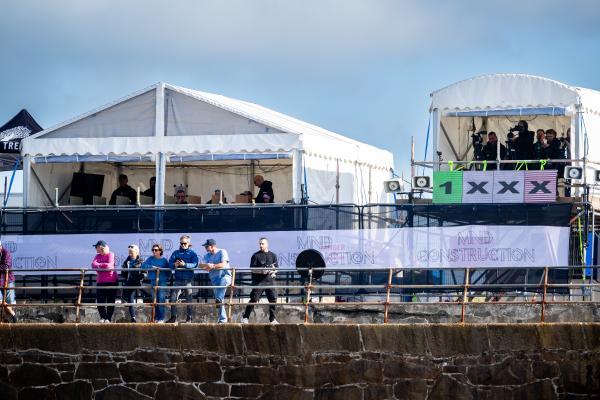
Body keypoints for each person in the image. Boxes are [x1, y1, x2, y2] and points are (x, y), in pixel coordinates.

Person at [241, 237, 279, 324]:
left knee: (273, 299)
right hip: (259, 281)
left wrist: (273, 270)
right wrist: (262, 271)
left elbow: (277, 268)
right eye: (260, 244)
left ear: (267, 244)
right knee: (254, 299)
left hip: (270, 281)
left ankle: (272, 319)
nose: (261, 245)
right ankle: (245, 317)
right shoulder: (256, 255)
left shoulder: (273, 255)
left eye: (262, 244)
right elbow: (252, 269)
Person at [199, 239, 231, 323]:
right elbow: (200, 265)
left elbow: (223, 264)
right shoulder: (207, 255)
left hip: (225, 276)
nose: (205, 248)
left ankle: (218, 300)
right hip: (215, 280)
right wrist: (207, 265)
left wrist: (212, 266)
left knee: (219, 297)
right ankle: (223, 319)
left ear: (212, 246)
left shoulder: (222, 252)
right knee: (220, 300)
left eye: (207, 246)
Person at [168, 235, 198, 323]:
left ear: (189, 243)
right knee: (173, 298)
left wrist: (185, 265)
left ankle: (189, 318)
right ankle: (173, 317)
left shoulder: (193, 253)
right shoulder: (175, 253)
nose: (183, 245)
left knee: (189, 299)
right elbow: (170, 264)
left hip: (188, 280)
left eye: (185, 243)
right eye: (181, 243)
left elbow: (195, 264)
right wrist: (175, 265)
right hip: (177, 280)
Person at [141, 244, 170, 323]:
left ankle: (161, 318)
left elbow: (168, 271)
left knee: (161, 300)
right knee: (155, 300)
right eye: (153, 250)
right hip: (153, 281)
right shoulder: (150, 259)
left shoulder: (164, 260)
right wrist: (152, 267)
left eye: (156, 250)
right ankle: (156, 317)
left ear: (160, 251)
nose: (154, 251)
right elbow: (143, 266)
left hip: (162, 282)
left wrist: (163, 275)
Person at [91, 240, 118, 323]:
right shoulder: (97, 256)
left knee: (111, 300)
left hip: (112, 281)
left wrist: (99, 267)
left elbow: (109, 266)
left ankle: (108, 318)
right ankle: (103, 317)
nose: (95, 249)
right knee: (100, 300)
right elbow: (93, 265)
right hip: (100, 281)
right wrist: (103, 266)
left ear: (101, 247)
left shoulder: (111, 254)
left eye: (96, 247)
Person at [121, 244, 145, 323]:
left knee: (129, 292)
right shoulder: (126, 261)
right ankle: (133, 318)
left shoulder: (141, 261)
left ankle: (123, 297)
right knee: (131, 298)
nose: (130, 253)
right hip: (129, 282)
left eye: (131, 251)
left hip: (136, 281)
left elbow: (144, 272)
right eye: (129, 251)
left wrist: (142, 275)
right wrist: (124, 270)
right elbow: (123, 273)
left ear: (137, 252)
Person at [0, 240, 17, 323]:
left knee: (10, 303)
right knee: (1, 301)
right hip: (1, 281)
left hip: (7, 281)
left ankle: (9, 318)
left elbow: (5, 266)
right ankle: (13, 316)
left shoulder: (6, 253)